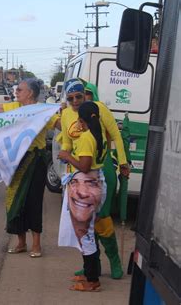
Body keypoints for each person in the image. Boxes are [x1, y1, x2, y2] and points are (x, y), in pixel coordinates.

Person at [0, 78, 58, 257]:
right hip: (14, 162)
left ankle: (36, 245)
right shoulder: (13, 108)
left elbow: (61, 125)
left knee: (34, 202)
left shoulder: (42, 111)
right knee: (15, 201)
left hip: (35, 161)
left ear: (30, 93)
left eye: (20, 90)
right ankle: (21, 242)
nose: (16, 92)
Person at [60, 78, 127, 280]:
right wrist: (66, 164)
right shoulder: (65, 114)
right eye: (70, 98)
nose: (74, 101)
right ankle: (91, 265)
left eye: (78, 96)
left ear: (85, 94)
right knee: (82, 220)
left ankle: (114, 260)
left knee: (102, 218)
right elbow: (66, 143)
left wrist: (123, 163)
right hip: (77, 172)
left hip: (100, 169)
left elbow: (115, 135)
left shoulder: (96, 108)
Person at [58, 101, 107, 292]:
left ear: (81, 119)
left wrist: (67, 155)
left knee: (85, 233)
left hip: (87, 185)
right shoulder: (99, 134)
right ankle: (89, 272)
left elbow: (85, 166)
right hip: (95, 183)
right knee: (88, 231)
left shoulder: (87, 137)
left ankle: (92, 280)